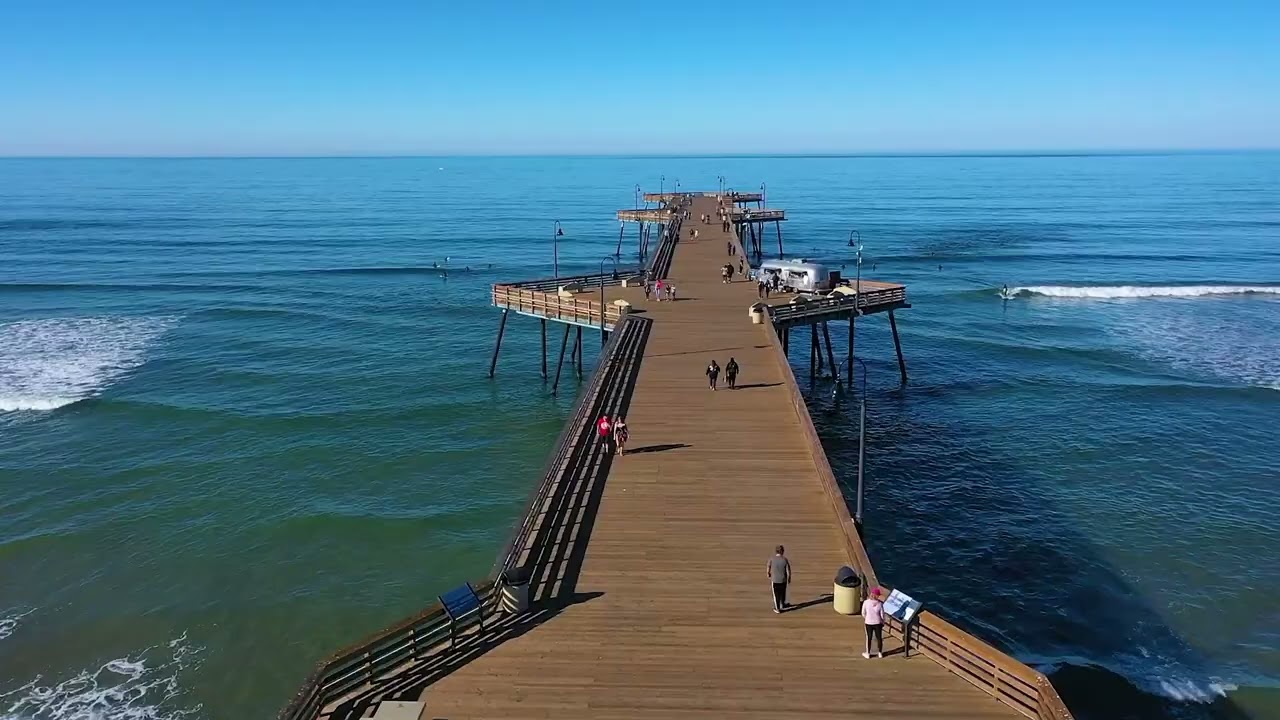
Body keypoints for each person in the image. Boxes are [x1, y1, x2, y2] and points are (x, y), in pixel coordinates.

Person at [862, 587, 885, 658]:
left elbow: (863, 613)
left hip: (868, 622)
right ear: (877, 595)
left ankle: (868, 653)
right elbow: (882, 615)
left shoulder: (866, 602)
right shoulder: (880, 604)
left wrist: (867, 618)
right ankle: (880, 653)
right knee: (879, 638)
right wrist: (883, 621)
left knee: (869, 637)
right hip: (878, 622)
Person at [767, 545, 791, 613]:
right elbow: (788, 570)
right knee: (783, 593)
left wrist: (768, 573)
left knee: (776, 594)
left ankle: (777, 608)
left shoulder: (772, 559)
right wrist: (789, 577)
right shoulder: (784, 559)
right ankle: (782, 604)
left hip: (775, 580)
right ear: (782, 551)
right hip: (783, 580)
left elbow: (768, 566)